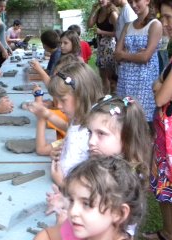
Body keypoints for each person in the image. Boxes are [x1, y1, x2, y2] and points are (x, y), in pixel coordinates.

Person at [41, 95, 152, 239]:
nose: (91, 141)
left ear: (126, 138)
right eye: (90, 133)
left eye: (101, 134)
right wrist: (66, 199)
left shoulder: (128, 180)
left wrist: (63, 186)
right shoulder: (97, 165)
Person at [27, 61, 103, 187]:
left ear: (81, 95)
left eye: (63, 100)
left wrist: (62, 183)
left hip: (69, 193)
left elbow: (92, 189)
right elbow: (70, 128)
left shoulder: (93, 134)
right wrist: (46, 114)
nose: (59, 105)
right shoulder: (78, 119)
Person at [35, 155, 146, 240]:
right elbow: (46, 235)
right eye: (72, 201)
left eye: (86, 204)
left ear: (118, 213)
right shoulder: (75, 229)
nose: (73, 211)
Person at [114, 0, 162, 124]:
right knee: (125, 118)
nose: (133, 5)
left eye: (137, 1)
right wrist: (136, 55)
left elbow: (145, 57)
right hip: (125, 80)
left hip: (144, 82)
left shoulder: (154, 25)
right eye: (130, 2)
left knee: (143, 120)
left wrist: (126, 54)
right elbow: (117, 55)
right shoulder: (128, 25)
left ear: (147, 1)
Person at [149, 1, 172, 239]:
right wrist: (160, 86)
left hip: (171, 136)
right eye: (163, 18)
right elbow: (157, 85)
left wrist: (160, 87)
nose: (165, 24)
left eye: (168, 17)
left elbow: (160, 96)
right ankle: (167, 232)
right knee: (165, 187)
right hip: (166, 134)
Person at [88, 0, 118, 94]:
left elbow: (119, 33)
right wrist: (93, 10)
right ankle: (105, 97)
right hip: (101, 47)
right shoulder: (99, 11)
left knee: (110, 77)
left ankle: (112, 97)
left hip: (110, 47)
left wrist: (102, 32)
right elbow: (89, 25)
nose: (100, 0)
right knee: (102, 75)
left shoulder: (112, 14)